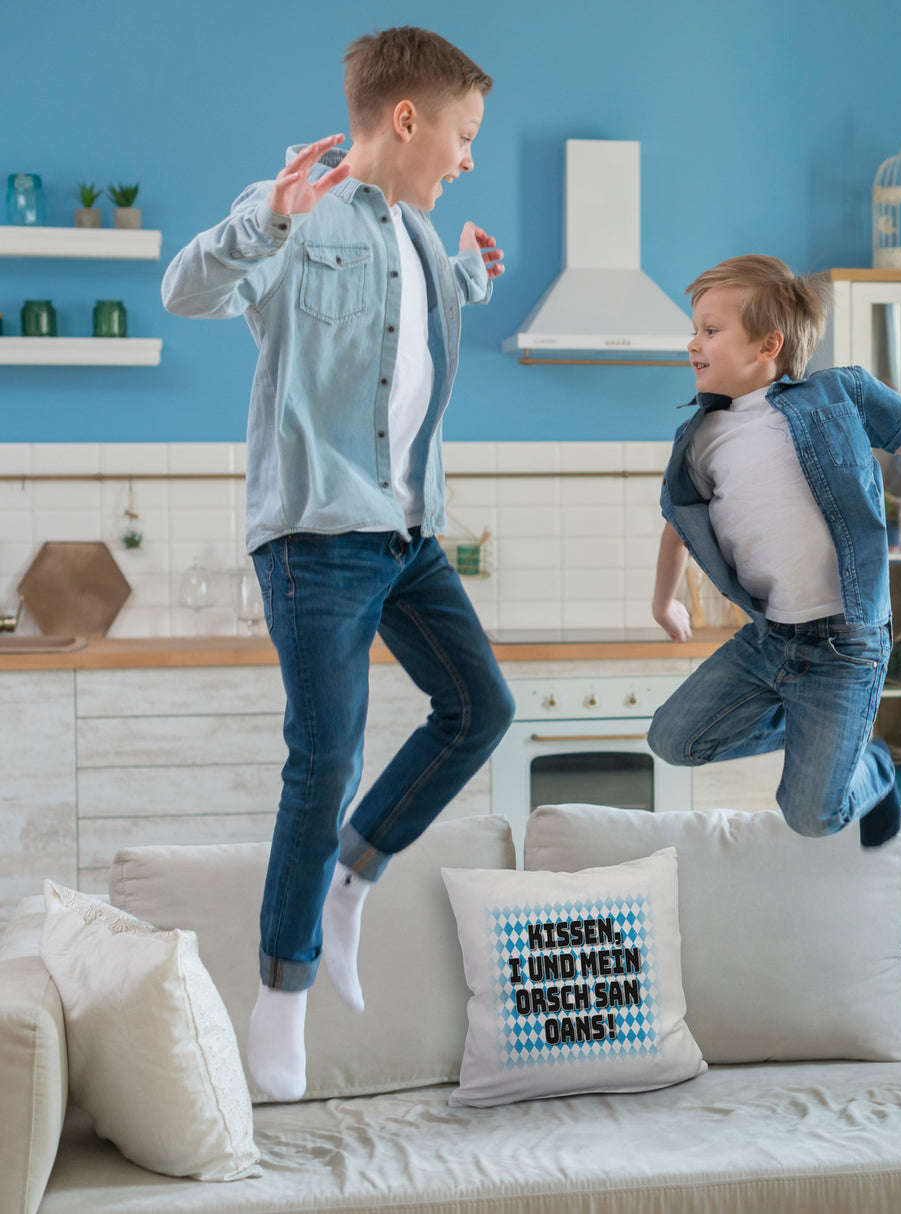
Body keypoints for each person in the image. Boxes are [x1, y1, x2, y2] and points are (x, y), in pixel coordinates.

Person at [161, 26, 514, 1101]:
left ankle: (354, 874)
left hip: (406, 533)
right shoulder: (297, 218)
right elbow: (186, 290)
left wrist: (468, 277)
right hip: (316, 531)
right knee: (326, 754)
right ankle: (281, 989)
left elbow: (402, 348)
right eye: (461, 135)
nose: (465, 158)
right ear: (405, 118)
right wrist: (263, 218)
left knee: (478, 708)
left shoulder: (416, 238)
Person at [649, 255, 901, 848]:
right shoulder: (701, 440)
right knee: (673, 740)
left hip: (846, 645)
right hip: (770, 640)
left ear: (769, 344)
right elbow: (678, 524)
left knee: (810, 816)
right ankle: (823, 735)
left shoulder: (840, 393)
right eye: (694, 329)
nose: (693, 342)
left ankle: (871, 767)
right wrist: (665, 601)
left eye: (710, 330)